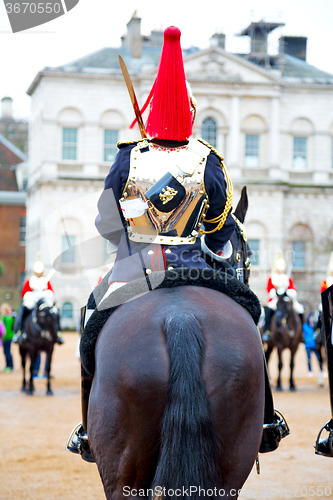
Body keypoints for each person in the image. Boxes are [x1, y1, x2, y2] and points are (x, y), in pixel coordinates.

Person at [67, 25, 289, 461]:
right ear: (189, 113)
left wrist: (134, 228)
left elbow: (106, 220)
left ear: (151, 111)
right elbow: (221, 230)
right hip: (196, 267)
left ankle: (90, 430)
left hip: (136, 270)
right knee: (248, 321)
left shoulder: (129, 155)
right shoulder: (207, 159)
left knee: (92, 321)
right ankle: (266, 419)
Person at [13, 254, 64, 345]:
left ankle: (58, 332)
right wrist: (33, 293)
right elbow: (24, 293)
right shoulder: (29, 280)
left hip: (43, 302)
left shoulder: (46, 281)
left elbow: (51, 293)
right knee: (22, 310)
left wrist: (43, 293)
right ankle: (19, 332)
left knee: (55, 311)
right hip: (32, 302)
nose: (39, 273)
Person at [263, 252, 304, 341]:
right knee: (268, 310)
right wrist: (276, 292)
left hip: (286, 299)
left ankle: (301, 333)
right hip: (276, 299)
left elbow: (292, 289)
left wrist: (288, 292)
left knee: (300, 310)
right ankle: (267, 331)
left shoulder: (287, 278)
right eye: (279, 269)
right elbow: (269, 289)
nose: (281, 271)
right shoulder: (272, 277)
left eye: (282, 269)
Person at [303, 312, 325, 384]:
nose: (311, 319)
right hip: (308, 345)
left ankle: (321, 370)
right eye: (310, 317)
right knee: (309, 358)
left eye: (312, 318)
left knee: (318, 357)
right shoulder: (305, 326)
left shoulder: (315, 326)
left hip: (314, 345)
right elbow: (304, 335)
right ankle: (310, 371)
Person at [0, 303, 15, 372]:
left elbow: (6, 330)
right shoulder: (7, 317)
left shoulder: (8, 318)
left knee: (7, 352)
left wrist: (4, 337)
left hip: (7, 337)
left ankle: (10, 366)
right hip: (6, 337)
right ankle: (7, 366)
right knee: (6, 352)